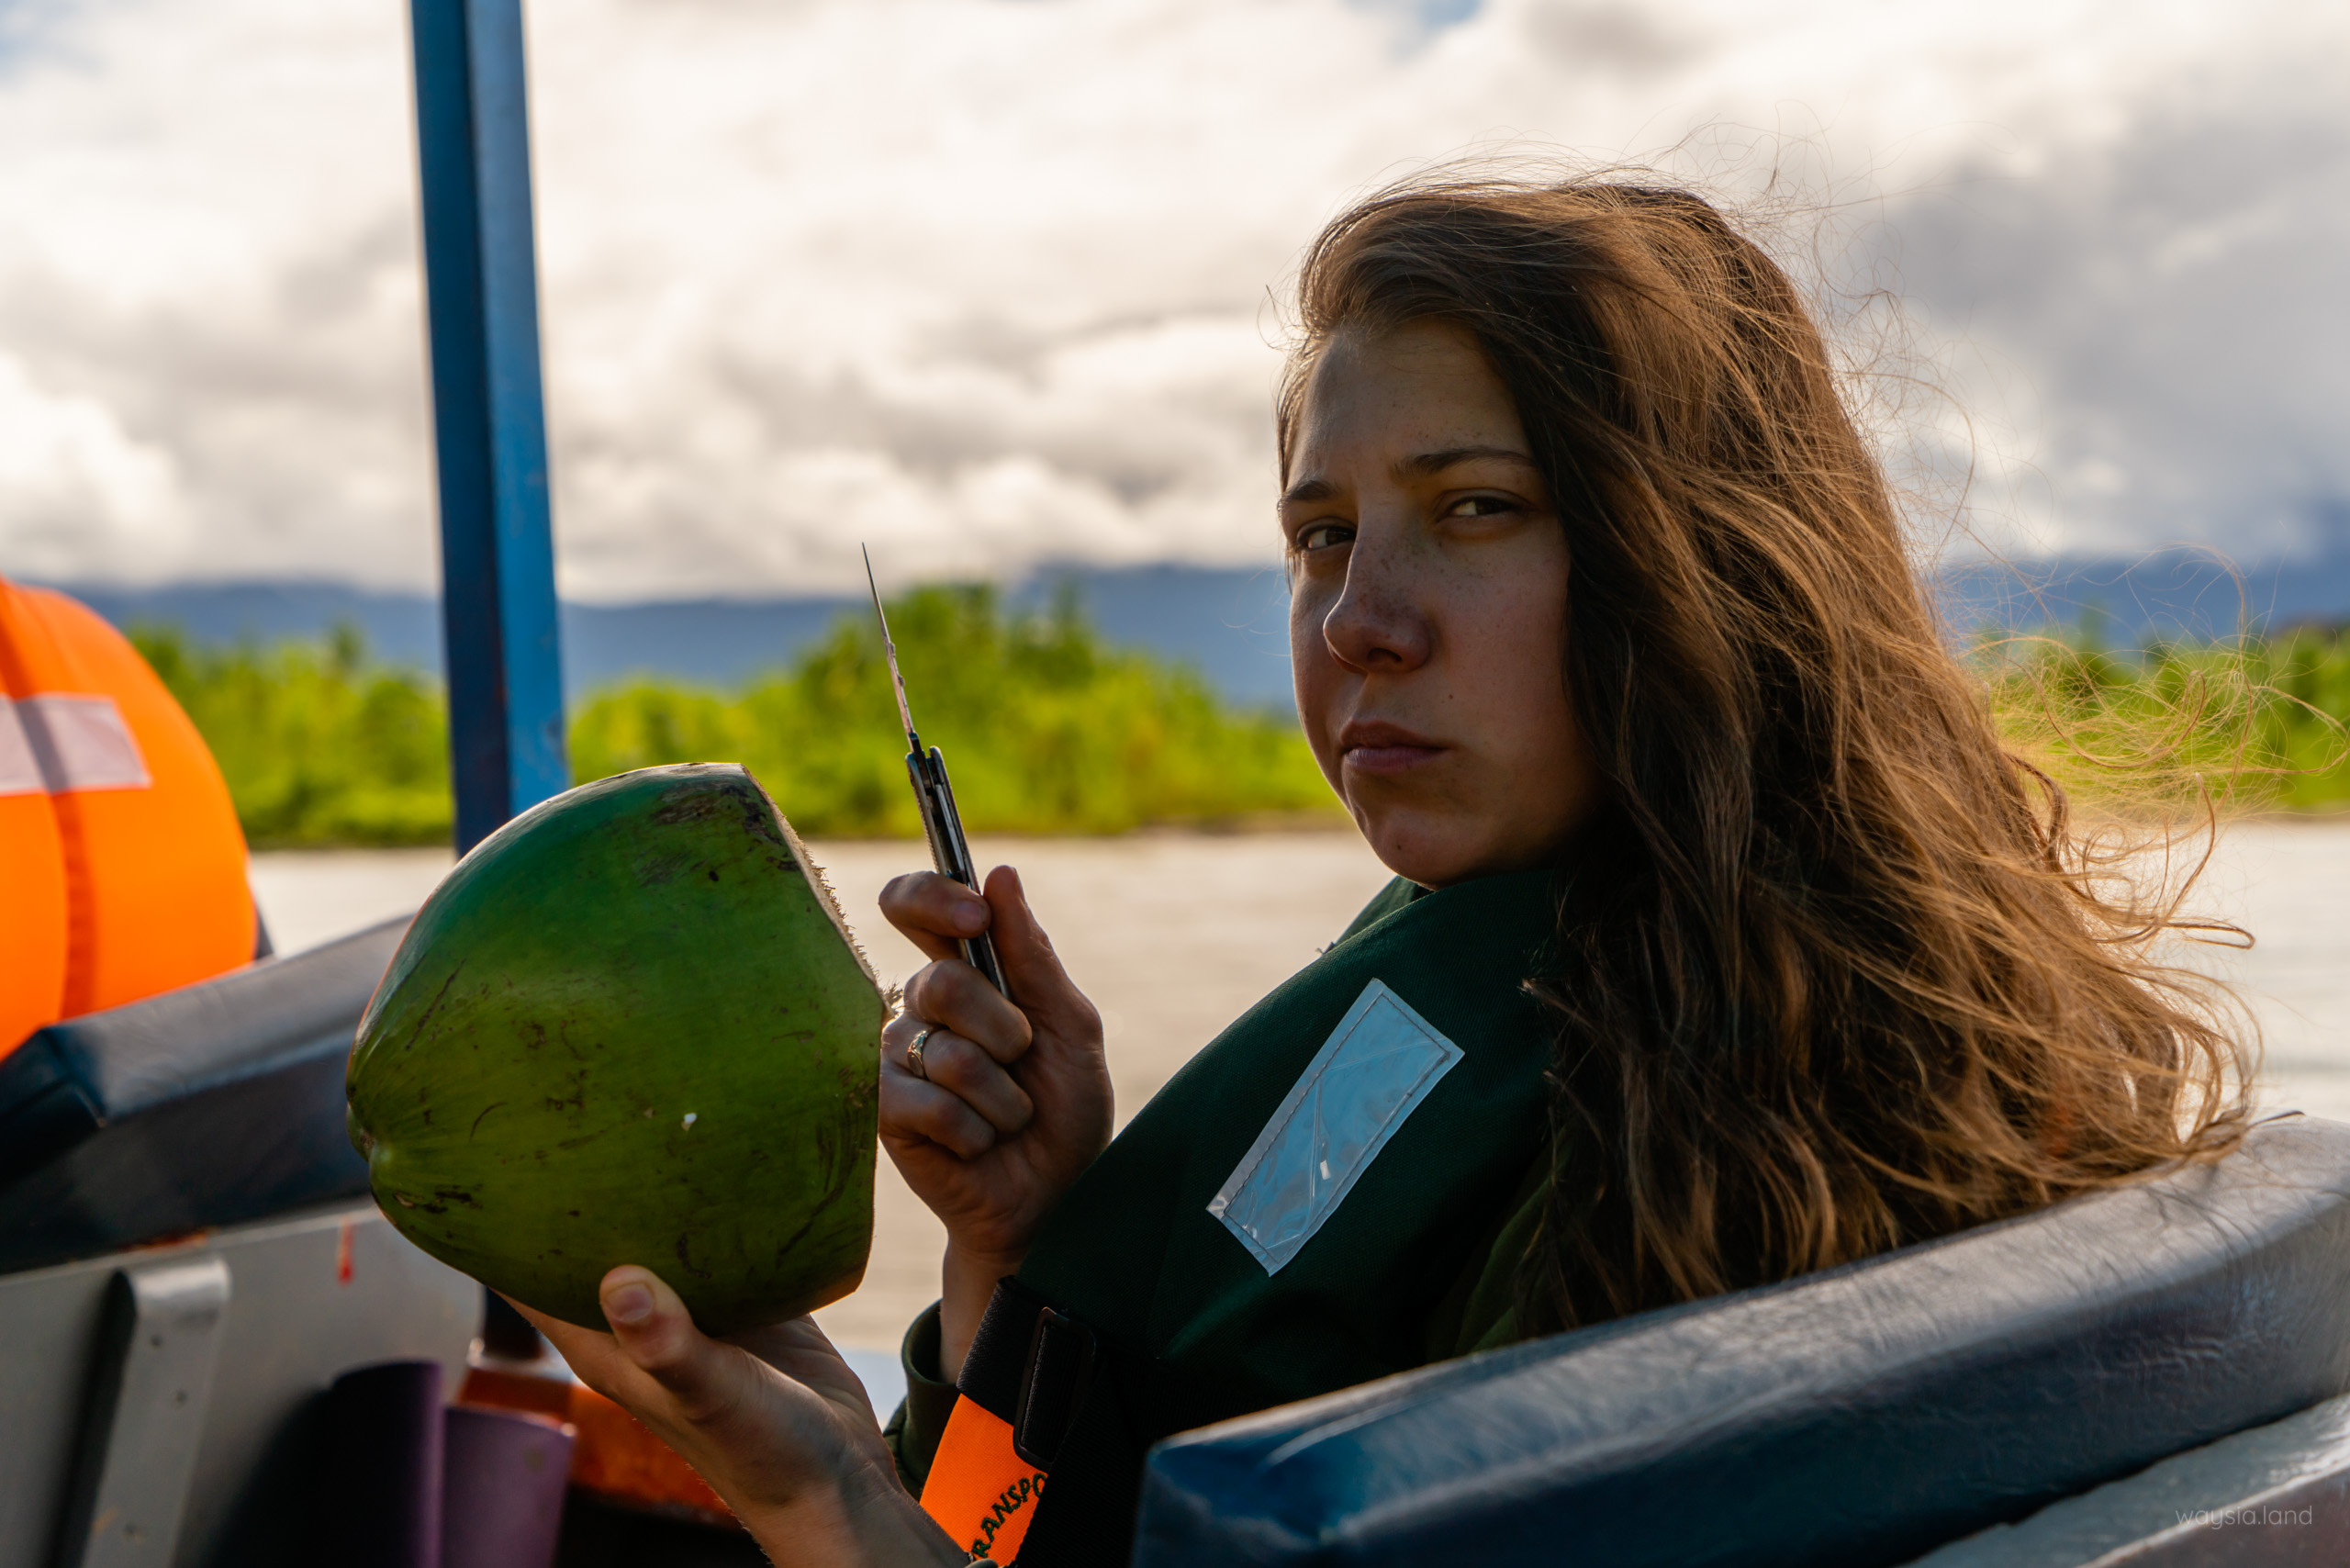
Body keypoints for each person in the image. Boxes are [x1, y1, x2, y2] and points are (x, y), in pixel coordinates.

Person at [520, 174, 2252, 1566]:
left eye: (1476, 508)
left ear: (1703, 566)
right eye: (1321, 536)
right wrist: (1018, 1249)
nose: (1360, 622)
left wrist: (824, 1515)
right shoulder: (1706, 986)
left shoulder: (1669, 1167)